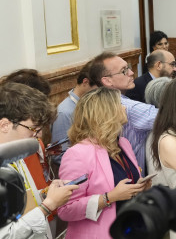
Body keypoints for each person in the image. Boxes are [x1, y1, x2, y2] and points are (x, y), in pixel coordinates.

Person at [58, 87, 151, 239]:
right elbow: (66, 209)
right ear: (106, 112)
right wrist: (109, 197)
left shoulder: (123, 143)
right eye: (119, 104)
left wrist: (139, 187)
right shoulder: (78, 154)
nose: (125, 107)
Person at [0, 82, 78, 239]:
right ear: (5, 125)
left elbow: (24, 201)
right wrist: (48, 206)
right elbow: (6, 235)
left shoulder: (17, 151)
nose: (39, 135)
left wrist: (46, 194)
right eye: (34, 129)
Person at [50, 61, 97, 169]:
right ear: (85, 82)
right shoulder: (65, 112)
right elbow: (59, 156)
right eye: (97, 88)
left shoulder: (87, 104)